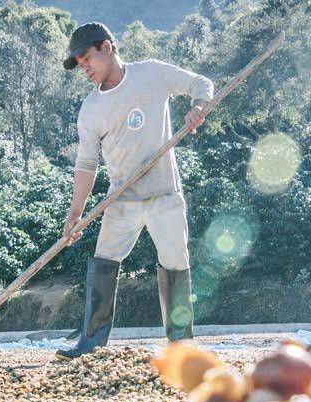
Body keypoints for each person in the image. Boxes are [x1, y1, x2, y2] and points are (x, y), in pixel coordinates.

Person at [55, 22, 213, 360]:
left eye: (87, 59)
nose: (85, 69)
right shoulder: (91, 109)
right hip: (121, 199)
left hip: (164, 194)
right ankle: (91, 342)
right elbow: (86, 163)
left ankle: (181, 345)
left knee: (175, 263)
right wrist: (75, 213)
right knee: (104, 260)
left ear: (107, 47)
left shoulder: (152, 74)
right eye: (79, 64)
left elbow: (201, 84)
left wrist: (199, 106)